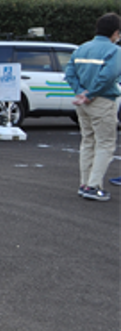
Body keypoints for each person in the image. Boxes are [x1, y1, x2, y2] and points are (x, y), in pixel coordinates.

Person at [64, 12, 121, 202]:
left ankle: (84, 183)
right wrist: (90, 94)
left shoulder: (81, 49)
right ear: (115, 33)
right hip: (103, 102)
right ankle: (93, 186)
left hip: (83, 104)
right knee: (105, 144)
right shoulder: (114, 51)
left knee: (88, 141)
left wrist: (81, 92)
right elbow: (109, 76)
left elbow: (70, 72)